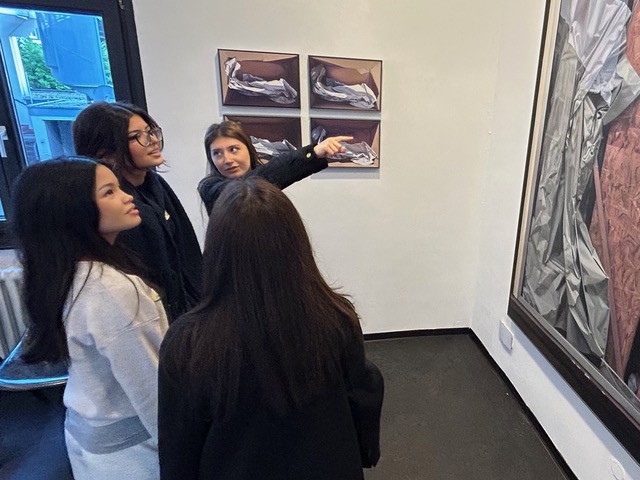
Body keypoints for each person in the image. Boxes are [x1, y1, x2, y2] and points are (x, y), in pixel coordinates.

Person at [158, 178, 383, 480]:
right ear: (296, 244)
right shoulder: (337, 318)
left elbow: (178, 446)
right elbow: (360, 396)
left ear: (216, 252)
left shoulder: (188, 342)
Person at [12, 157, 168, 479]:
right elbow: (153, 392)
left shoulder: (62, 274)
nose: (127, 196)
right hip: (133, 455)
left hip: (90, 441)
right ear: (72, 212)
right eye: (109, 192)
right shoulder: (113, 290)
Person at [73, 101, 202, 321]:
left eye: (150, 132)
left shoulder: (156, 185)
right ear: (106, 152)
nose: (153, 141)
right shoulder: (112, 210)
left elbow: (187, 253)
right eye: (137, 137)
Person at [198, 120, 352, 213]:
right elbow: (248, 185)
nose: (227, 159)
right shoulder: (209, 188)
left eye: (233, 149)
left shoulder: (265, 178)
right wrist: (314, 152)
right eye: (217, 153)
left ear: (248, 149)